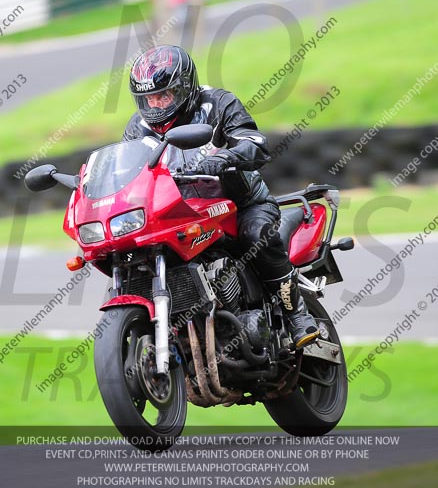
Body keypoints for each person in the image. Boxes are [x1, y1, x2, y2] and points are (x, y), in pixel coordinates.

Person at [123, 44, 319, 348]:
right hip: (179, 212)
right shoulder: (138, 127)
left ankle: (297, 315)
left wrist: (226, 156)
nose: (157, 105)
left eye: (164, 95)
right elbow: (129, 170)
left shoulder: (217, 103)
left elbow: (255, 142)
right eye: (149, 98)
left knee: (256, 235)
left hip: (239, 203)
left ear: (184, 87)